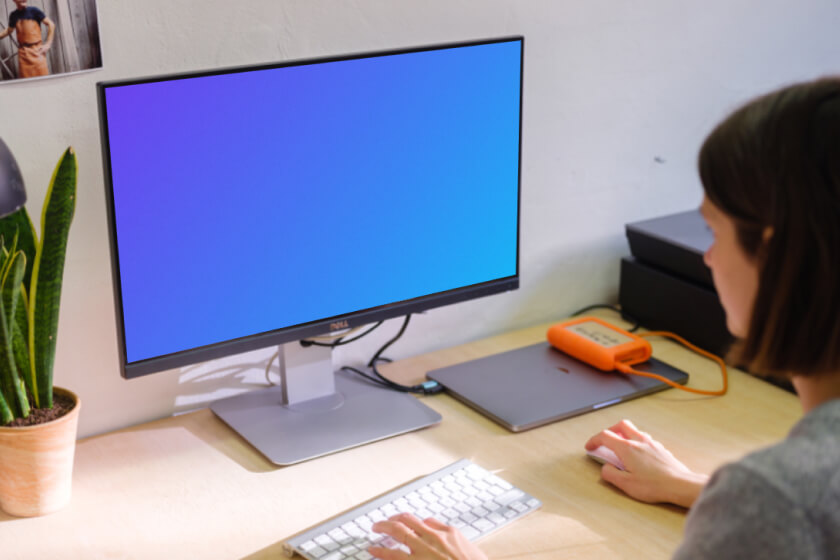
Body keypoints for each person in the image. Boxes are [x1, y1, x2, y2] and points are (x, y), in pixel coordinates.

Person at [367, 76, 840, 559]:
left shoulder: (778, 500)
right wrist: (698, 490)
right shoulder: (785, 497)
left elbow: (791, 509)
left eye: (712, 229)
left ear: (779, 255)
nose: (708, 257)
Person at [0, 0, 55, 79]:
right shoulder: (14, 15)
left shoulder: (34, 11)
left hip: (37, 51)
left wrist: (48, 44)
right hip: (23, 54)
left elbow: (51, 24)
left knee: (43, 81)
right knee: (26, 84)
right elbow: (9, 31)